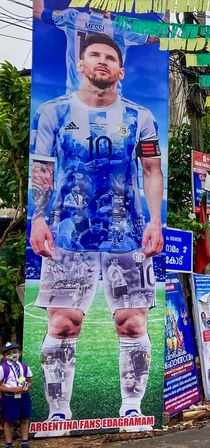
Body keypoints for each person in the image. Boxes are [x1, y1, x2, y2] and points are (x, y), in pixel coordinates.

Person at [28, 33, 164, 435]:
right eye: (94, 55)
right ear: (81, 65)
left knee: (133, 323)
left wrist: (155, 221)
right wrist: (38, 219)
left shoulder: (141, 118)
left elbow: (153, 172)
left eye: (109, 57)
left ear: (120, 71)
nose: (102, 61)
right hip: (69, 234)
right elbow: (42, 169)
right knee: (64, 323)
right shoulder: (53, 112)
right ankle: (57, 414)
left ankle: (133, 409)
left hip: (129, 233)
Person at [33, 0, 157, 94]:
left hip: (74, 101)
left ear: (88, 0)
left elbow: (38, 12)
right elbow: (156, 37)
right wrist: (166, 12)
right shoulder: (120, 29)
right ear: (111, 1)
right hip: (110, 105)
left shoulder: (72, 18)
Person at [1, 343, 32, 448]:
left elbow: (29, 381)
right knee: (8, 420)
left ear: (19, 353)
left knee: (24, 418)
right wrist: (11, 389)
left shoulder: (24, 366)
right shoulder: (3, 368)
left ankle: (24, 441)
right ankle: (9, 444)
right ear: (5, 356)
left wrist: (27, 386)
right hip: (9, 397)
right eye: (9, 353)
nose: (13, 355)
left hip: (23, 397)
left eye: (15, 352)